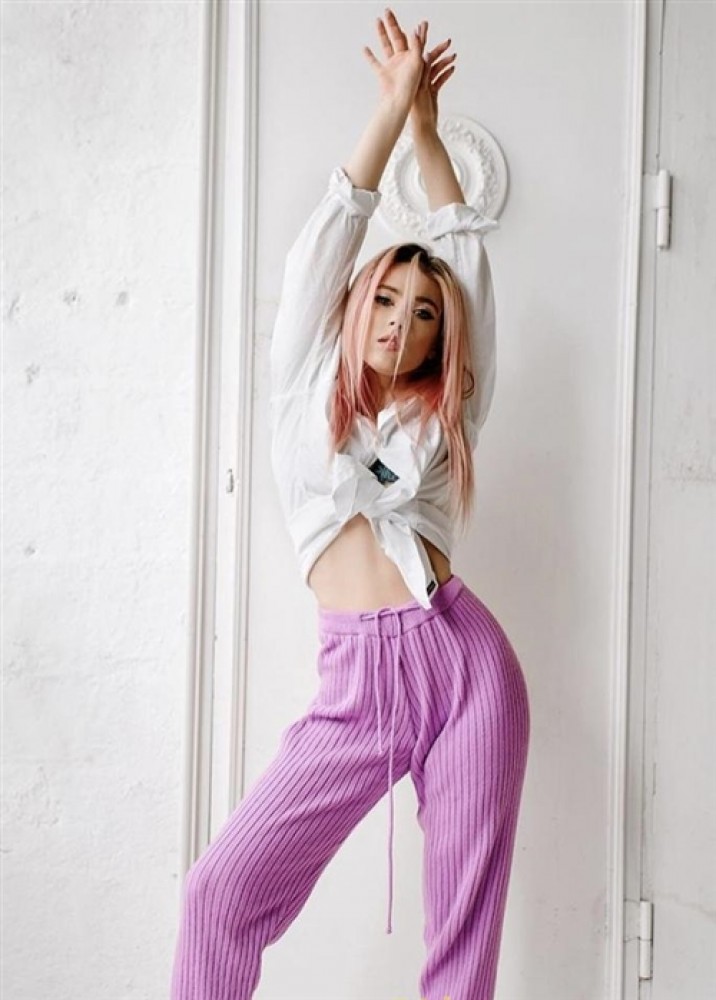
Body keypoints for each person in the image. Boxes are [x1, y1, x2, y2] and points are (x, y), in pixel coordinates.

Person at [170, 10, 530, 1000]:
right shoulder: (301, 387)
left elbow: (469, 262)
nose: (400, 322)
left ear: (439, 339)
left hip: (465, 665)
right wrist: (392, 112)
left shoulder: (442, 418)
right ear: (355, 301)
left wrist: (431, 140)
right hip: (359, 682)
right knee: (219, 894)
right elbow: (326, 240)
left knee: (459, 947)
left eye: (423, 314)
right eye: (385, 298)